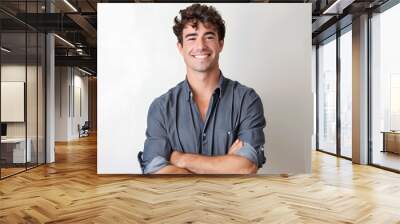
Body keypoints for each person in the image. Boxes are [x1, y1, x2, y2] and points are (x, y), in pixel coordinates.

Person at [139, 3, 266, 174]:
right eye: (191, 37)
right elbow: (155, 170)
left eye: (209, 37)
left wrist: (180, 159)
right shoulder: (161, 108)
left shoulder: (246, 100)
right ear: (180, 47)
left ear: (220, 44)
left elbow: (246, 167)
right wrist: (226, 165)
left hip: (233, 201)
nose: (200, 46)